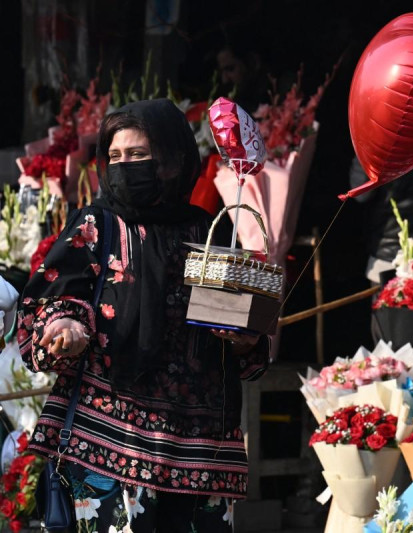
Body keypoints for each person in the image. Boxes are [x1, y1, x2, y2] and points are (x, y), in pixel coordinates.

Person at [18, 99, 269, 533]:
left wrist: (245, 336)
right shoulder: (97, 225)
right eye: (114, 157)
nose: (123, 166)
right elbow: (53, 297)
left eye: (137, 155)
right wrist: (65, 326)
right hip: (110, 447)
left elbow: (249, 340)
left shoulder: (212, 232)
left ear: (173, 161)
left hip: (201, 453)